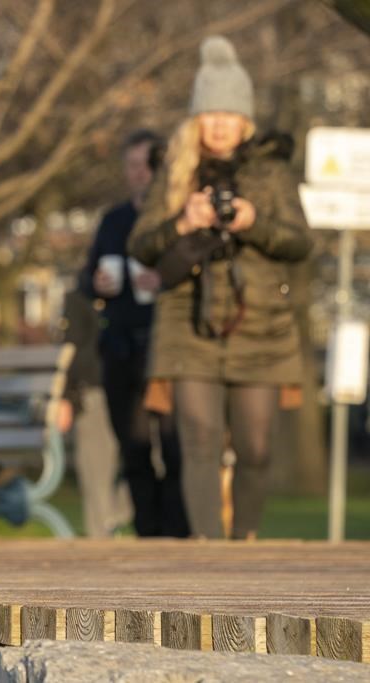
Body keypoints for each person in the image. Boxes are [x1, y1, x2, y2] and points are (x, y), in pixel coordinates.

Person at [128, 36, 311, 539]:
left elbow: (301, 243)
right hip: (188, 325)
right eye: (211, 113)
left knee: (256, 448)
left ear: (245, 117)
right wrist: (182, 223)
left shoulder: (270, 170)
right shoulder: (174, 172)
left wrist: (253, 221)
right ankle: (209, 550)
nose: (221, 123)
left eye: (230, 113)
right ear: (197, 118)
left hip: (262, 327)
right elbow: (141, 245)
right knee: (200, 442)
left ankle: (245, 540)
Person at [81, 129, 190, 538]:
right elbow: (87, 278)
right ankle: (147, 535)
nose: (141, 174)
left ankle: (176, 535)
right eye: (133, 165)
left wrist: (163, 281)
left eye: (149, 165)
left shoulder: (176, 218)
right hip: (121, 349)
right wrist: (97, 284)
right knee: (134, 451)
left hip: (165, 349)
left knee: (174, 449)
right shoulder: (113, 221)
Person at [56, 289, 133, 538]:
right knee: (95, 472)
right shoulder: (80, 294)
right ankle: (100, 537)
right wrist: (66, 396)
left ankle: (114, 514)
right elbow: (70, 348)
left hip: (134, 385)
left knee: (150, 463)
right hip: (92, 388)